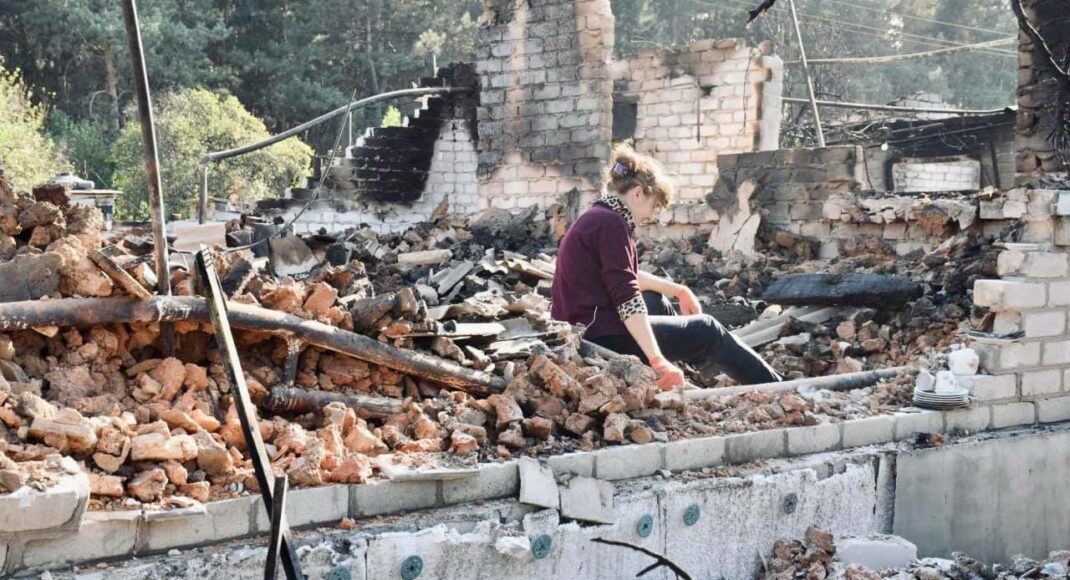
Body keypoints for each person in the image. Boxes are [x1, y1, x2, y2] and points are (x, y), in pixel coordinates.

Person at [551, 144, 783, 390]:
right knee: (708, 329)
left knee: (655, 298)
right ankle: (781, 388)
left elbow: (623, 275)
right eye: (654, 207)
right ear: (638, 193)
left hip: (587, 328)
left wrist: (679, 290)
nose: (653, 216)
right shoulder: (611, 223)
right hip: (598, 340)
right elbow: (626, 295)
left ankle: (688, 372)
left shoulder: (598, 216)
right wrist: (657, 359)